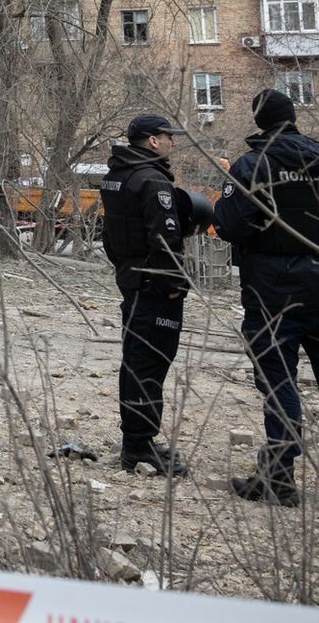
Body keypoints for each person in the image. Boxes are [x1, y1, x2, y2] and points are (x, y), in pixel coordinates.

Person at [216, 89, 319, 507]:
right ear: (293, 117)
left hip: (273, 293)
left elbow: (230, 226)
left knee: (278, 383)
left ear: (258, 122)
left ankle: (279, 475)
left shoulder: (252, 166)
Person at [100, 113, 202, 476]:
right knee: (150, 363)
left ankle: (136, 441)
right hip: (154, 286)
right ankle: (140, 448)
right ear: (152, 140)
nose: (172, 141)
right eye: (167, 136)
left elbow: (107, 236)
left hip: (132, 279)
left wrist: (126, 269)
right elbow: (166, 240)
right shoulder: (152, 181)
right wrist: (174, 285)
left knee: (135, 360)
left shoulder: (116, 176)